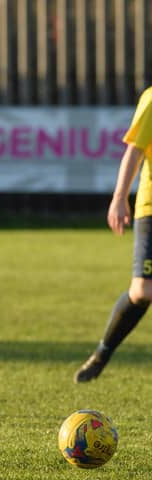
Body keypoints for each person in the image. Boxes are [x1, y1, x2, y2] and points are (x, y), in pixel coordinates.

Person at [74, 85, 152, 383]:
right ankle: (102, 353)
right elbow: (134, 151)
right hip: (150, 206)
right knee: (143, 291)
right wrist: (120, 197)